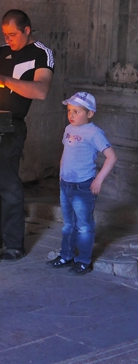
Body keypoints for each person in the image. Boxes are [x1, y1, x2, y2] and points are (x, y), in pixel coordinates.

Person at [0, 9, 54, 261]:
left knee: (7, 184)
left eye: (13, 34)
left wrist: (4, 79)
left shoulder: (41, 53)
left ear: (26, 30)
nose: (8, 40)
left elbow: (40, 90)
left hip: (10, 126)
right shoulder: (2, 52)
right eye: (5, 35)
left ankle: (14, 244)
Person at [48, 92, 116, 275]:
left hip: (83, 186)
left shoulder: (94, 133)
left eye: (77, 111)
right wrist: (61, 174)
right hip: (66, 184)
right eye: (69, 110)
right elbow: (66, 152)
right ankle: (66, 255)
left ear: (90, 113)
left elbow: (111, 157)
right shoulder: (69, 129)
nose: (71, 115)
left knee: (84, 225)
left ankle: (83, 260)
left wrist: (98, 180)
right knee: (68, 224)